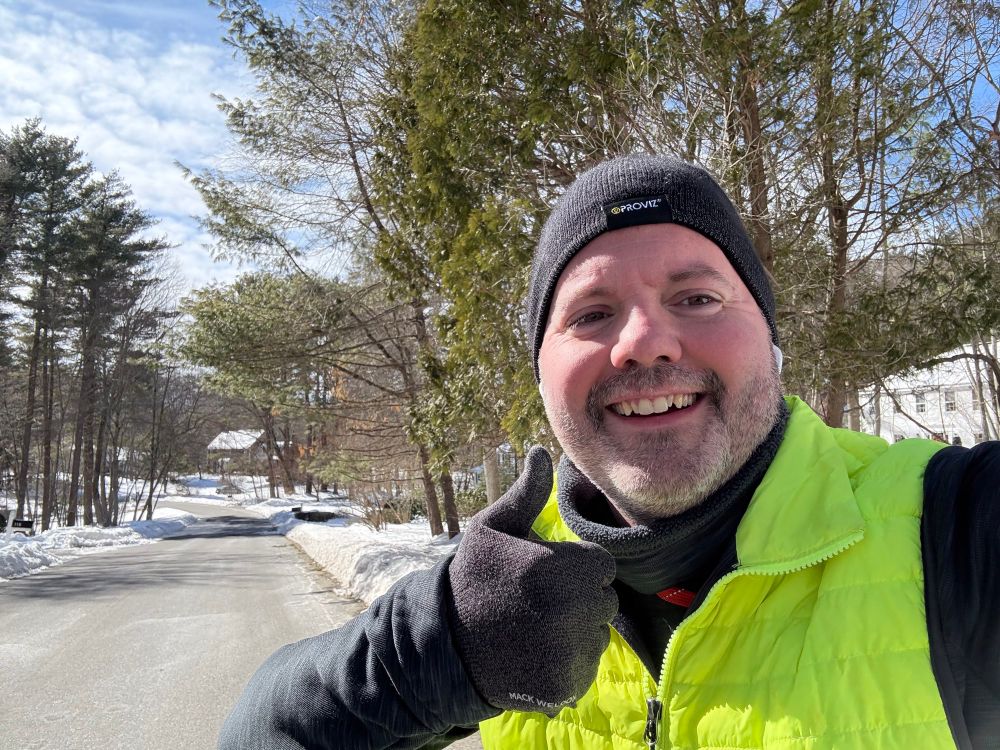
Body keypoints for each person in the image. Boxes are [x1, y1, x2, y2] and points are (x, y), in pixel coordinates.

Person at [219, 155, 1000, 750]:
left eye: (697, 298)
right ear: (542, 375)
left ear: (769, 337)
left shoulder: (953, 526)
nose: (643, 342)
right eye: (591, 313)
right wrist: (442, 648)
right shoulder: (508, 580)